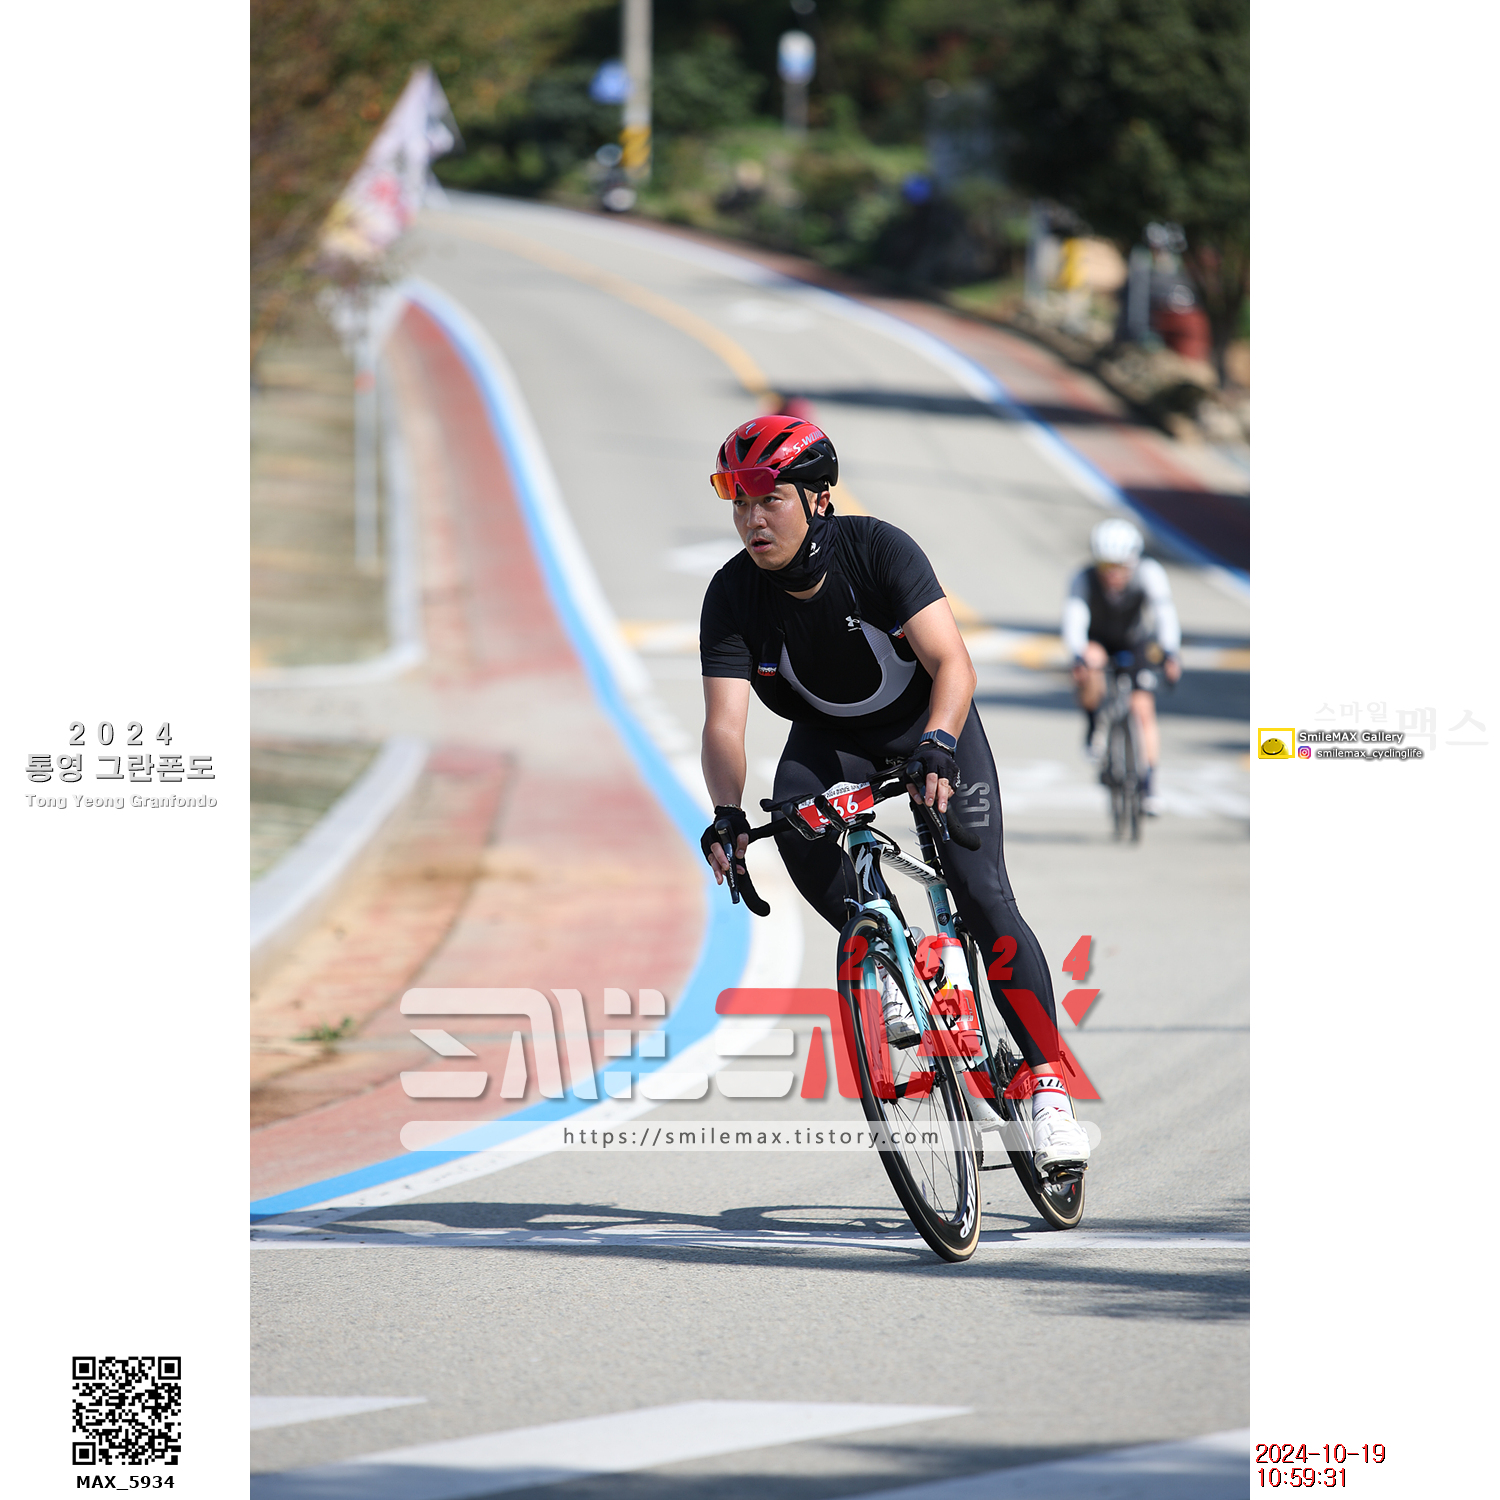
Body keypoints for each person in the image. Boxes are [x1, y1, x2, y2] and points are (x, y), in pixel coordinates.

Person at [697, 414, 1089, 1174]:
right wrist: (726, 816)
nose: (751, 519)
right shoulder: (733, 593)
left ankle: (1048, 1089)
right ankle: (889, 960)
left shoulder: (878, 549)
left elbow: (953, 663)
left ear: (818, 498)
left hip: (931, 725)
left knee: (983, 895)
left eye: (768, 498)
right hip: (829, 740)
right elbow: (724, 724)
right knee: (798, 828)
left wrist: (938, 741)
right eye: (738, 501)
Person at [1063, 519, 1182, 815]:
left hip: (1133, 641)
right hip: (1098, 640)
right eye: (1106, 566)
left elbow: (1164, 613)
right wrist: (1078, 655)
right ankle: (1094, 726)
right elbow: (1074, 618)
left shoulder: (1149, 573)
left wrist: (1170, 652)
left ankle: (1149, 785)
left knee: (1143, 708)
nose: (1113, 574)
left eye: (1121, 567)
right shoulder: (1083, 578)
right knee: (1091, 662)